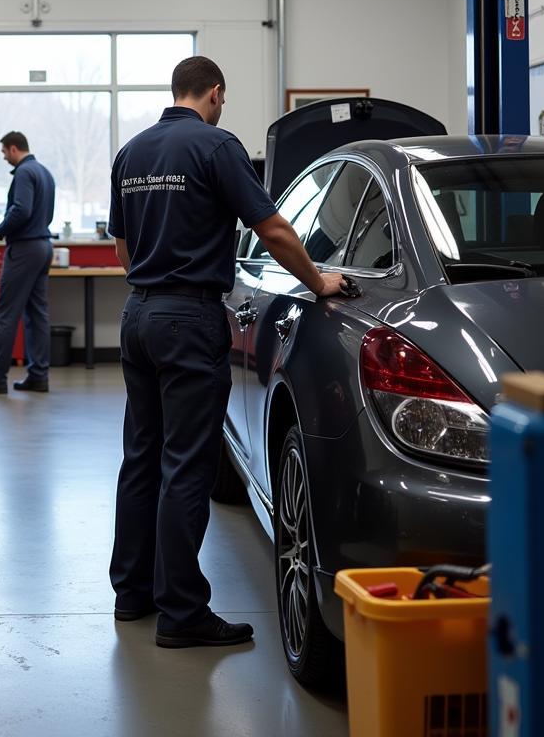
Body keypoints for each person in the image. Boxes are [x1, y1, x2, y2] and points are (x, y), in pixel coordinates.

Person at [107, 56, 346, 649]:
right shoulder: (216, 147)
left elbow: (122, 244)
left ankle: (131, 593)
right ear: (215, 92)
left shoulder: (131, 153)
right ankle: (183, 612)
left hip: (138, 312)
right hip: (188, 317)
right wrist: (320, 284)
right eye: (223, 99)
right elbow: (273, 229)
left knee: (142, 454)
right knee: (186, 463)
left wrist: (154, 282)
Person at [0, 132, 57, 395]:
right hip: (43, 245)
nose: (4, 157)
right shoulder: (44, 172)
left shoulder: (23, 172)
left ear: (13, 148)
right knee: (36, 314)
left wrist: (0, 229)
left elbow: (21, 209)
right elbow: (47, 213)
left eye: (4, 152)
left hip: (24, 249)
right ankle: (38, 376)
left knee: (5, 315)